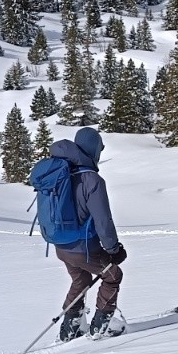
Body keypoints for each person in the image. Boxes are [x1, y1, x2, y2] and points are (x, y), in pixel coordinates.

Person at [49, 127, 128, 341]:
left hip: (61, 246)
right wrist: (113, 249)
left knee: (81, 279)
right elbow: (103, 220)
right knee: (113, 275)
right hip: (83, 248)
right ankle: (103, 325)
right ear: (93, 150)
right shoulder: (91, 180)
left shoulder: (61, 174)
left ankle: (71, 326)